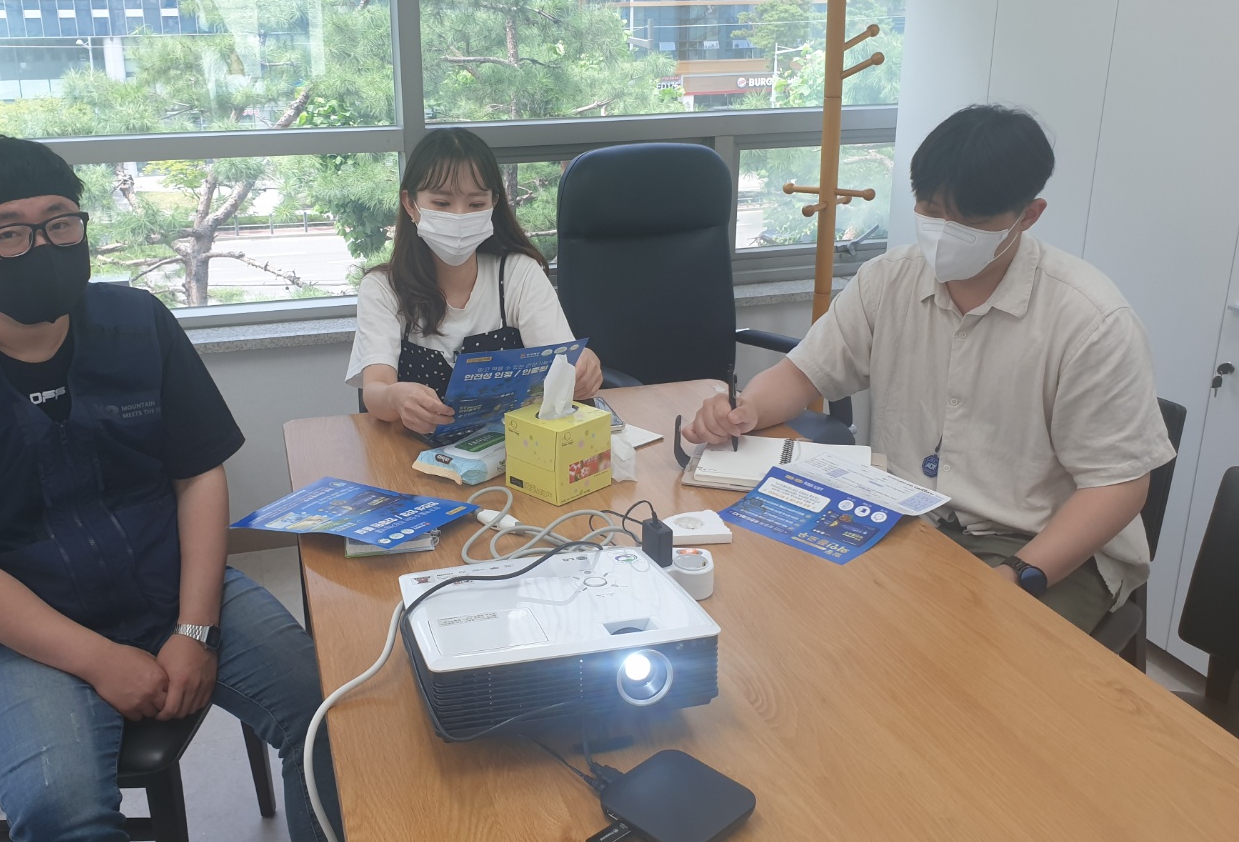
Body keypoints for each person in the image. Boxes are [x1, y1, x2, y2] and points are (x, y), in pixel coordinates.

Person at [0, 136, 342, 842]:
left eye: (59, 222)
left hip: (168, 585)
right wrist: (100, 660)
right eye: (8, 234)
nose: (42, 246)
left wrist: (195, 629)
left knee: (333, 718)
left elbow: (198, 476)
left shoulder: (136, 322)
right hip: (19, 635)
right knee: (62, 818)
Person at [684, 105, 1175, 632]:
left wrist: (1017, 574)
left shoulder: (1091, 321)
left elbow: (1118, 486)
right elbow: (804, 374)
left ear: (1029, 215)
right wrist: (746, 410)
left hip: (1037, 545)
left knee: (961, 657)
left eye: (972, 223)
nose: (946, 233)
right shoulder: (889, 280)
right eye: (932, 211)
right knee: (785, 603)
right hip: (908, 514)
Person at [347, 127, 602, 433]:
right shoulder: (383, 288)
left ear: (493, 204)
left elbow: (562, 360)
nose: (459, 216)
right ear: (410, 204)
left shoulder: (518, 272)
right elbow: (375, 390)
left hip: (512, 446)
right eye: (442, 204)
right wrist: (394, 397)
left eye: (476, 204)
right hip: (410, 448)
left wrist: (582, 367)